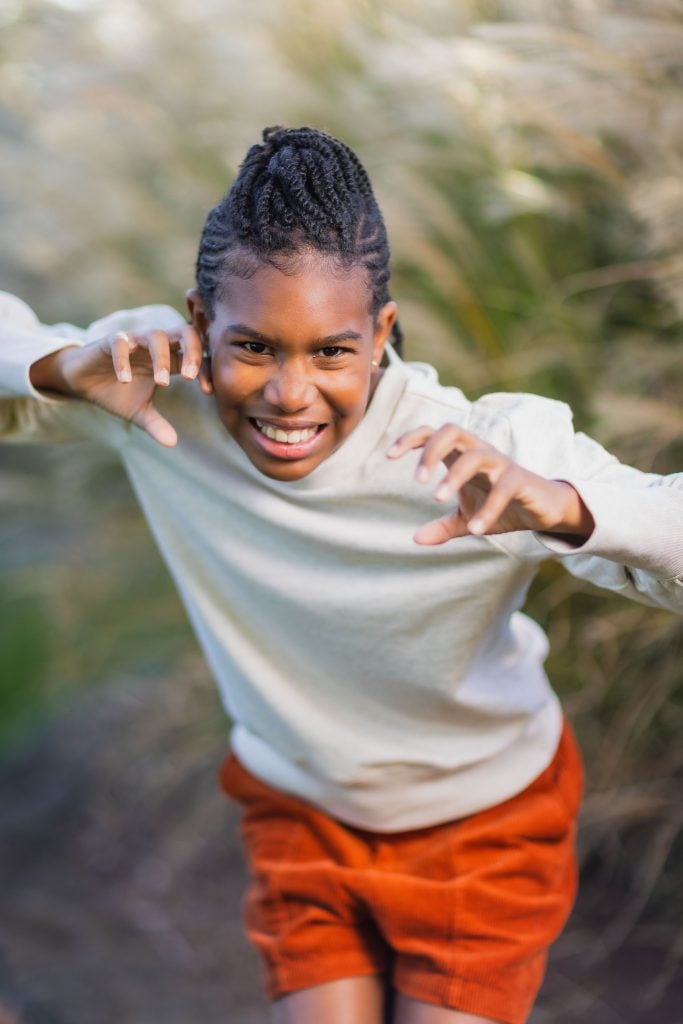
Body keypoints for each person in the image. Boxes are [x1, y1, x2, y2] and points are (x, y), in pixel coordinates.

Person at [1, 125, 681, 1024]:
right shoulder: (147, 390)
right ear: (199, 324)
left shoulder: (476, 450)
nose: (290, 393)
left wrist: (563, 504)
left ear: (380, 332)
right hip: (299, 807)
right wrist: (55, 367)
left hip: (484, 823)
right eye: (253, 348)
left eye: (330, 351)